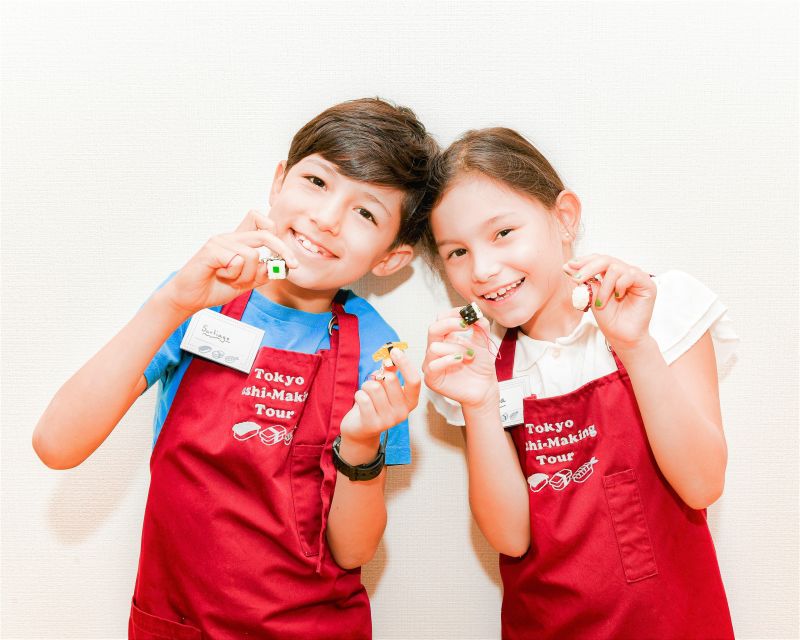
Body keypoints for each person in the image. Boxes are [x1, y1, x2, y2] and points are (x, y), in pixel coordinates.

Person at [33, 98, 438, 639]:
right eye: (317, 182)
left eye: (365, 213)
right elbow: (57, 444)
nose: (326, 218)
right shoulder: (197, 297)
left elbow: (354, 549)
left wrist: (361, 448)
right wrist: (174, 301)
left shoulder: (379, 352)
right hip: (176, 623)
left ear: (389, 258)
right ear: (278, 183)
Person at [420, 127, 738, 639]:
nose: (482, 268)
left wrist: (635, 347)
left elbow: (702, 484)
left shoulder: (659, 308)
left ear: (563, 217)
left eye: (503, 233)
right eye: (456, 252)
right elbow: (510, 538)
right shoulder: (476, 364)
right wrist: (479, 403)